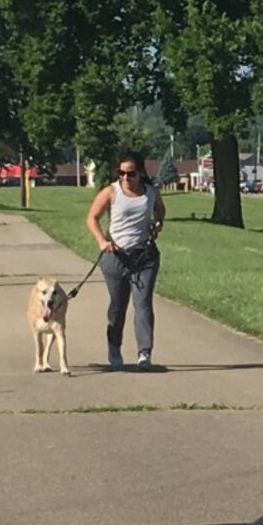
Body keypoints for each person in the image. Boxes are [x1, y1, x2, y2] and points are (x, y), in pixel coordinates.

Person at [85, 153, 165, 370]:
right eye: (121, 173)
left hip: (144, 256)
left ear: (139, 173)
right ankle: (114, 347)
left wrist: (158, 223)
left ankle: (144, 353)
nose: (126, 178)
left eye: (130, 173)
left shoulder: (150, 192)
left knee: (143, 304)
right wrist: (102, 241)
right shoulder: (111, 192)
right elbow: (92, 217)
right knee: (118, 306)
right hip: (116, 256)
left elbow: (160, 211)